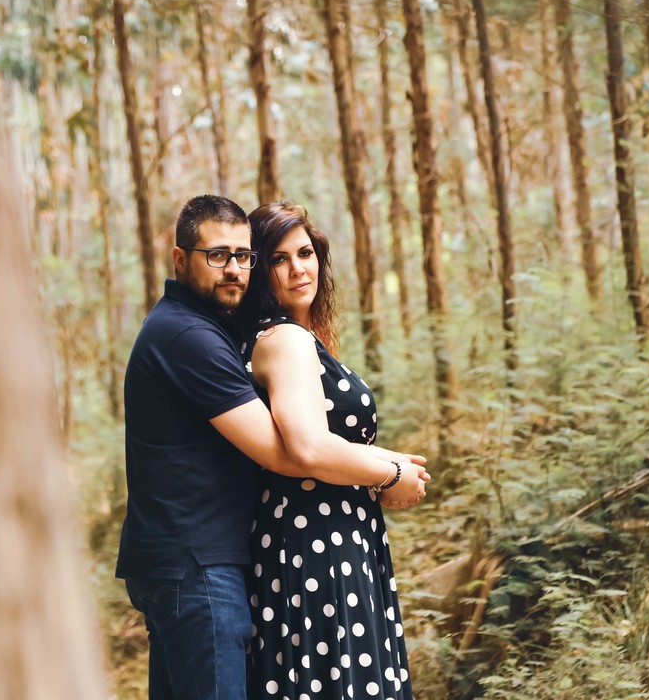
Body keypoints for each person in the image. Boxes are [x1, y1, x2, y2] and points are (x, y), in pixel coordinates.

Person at [117, 195, 428, 700]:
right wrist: (389, 471)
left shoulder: (212, 330)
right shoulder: (194, 336)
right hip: (206, 563)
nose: (232, 268)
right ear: (181, 259)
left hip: (210, 558)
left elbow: (301, 442)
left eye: (242, 255)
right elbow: (296, 451)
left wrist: (384, 463)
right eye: (217, 255)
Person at [238, 201, 417, 700]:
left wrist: (392, 463)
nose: (298, 268)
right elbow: (309, 448)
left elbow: (321, 439)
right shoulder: (284, 340)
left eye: (306, 253)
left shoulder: (295, 338)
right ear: (259, 272)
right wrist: (388, 473)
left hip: (327, 541)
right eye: (279, 259)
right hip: (316, 545)